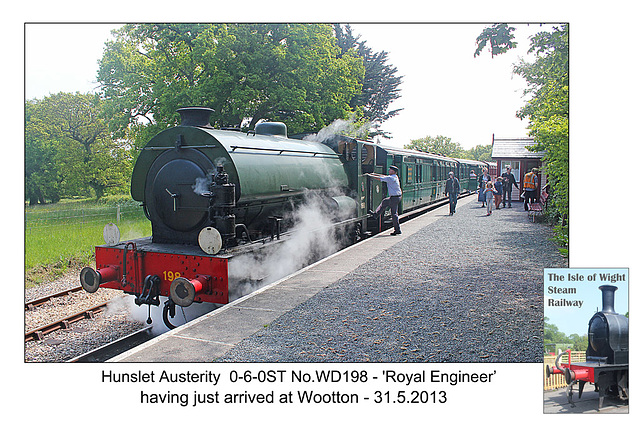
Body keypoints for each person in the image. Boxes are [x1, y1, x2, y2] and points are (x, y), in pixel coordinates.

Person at [367, 165, 402, 235]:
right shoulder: (394, 177)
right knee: (386, 203)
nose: (389, 170)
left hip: (394, 198)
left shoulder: (391, 178)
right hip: (396, 197)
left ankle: (376, 215)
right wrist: (372, 174)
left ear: (393, 171)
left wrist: (370, 176)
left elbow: (380, 178)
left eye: (390, 170)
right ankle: (397, 229)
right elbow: (383, 176)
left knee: (393, 213)